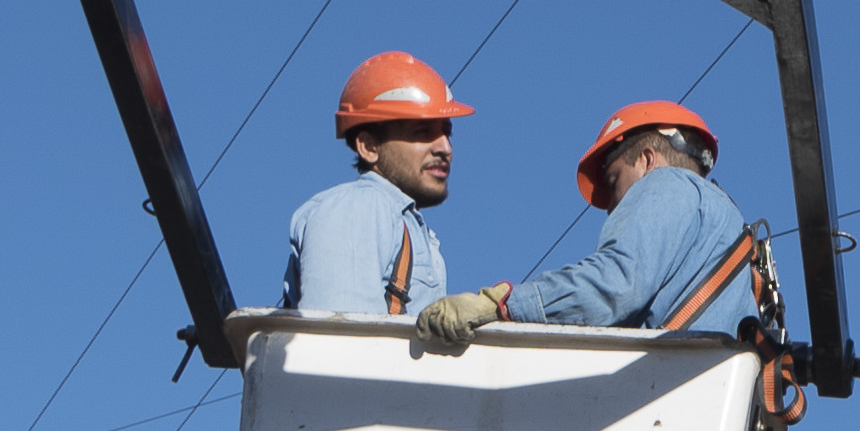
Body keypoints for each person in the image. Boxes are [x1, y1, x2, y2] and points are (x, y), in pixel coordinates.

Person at [412, 99, 765, 355]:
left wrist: (499, 303)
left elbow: (616, 285)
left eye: (613, 183)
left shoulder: (666, 184)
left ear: (646, 160)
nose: (612, 208)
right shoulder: (724, 222)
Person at [285, 49, 468, 321]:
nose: (444, 148)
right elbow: (338, 341)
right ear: (369, 147)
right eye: (423, 133)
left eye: (446, 133)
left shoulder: (404, 223)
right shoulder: (360, 208)